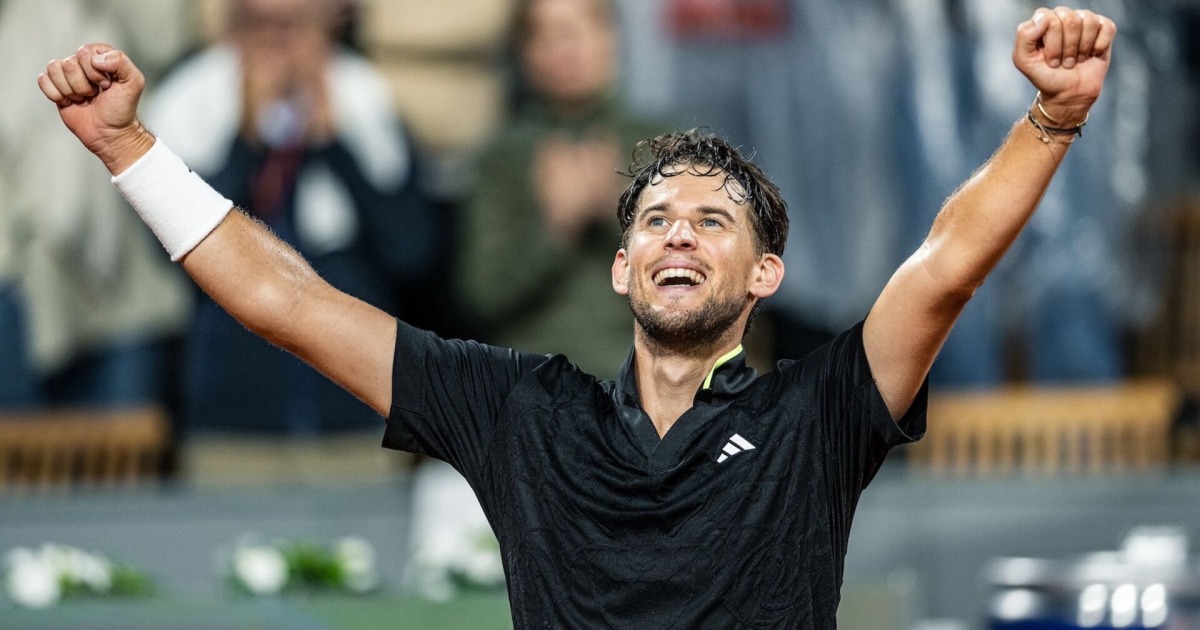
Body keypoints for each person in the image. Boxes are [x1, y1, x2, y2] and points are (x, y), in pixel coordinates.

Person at [39, 6, 1115, 626]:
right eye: (655, 221)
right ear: (619, 268)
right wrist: (129, 150)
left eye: (712, 220)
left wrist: (1052, 117)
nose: (680, 234)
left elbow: (945, 267)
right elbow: (289, 303)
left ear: (766, 276)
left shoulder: (817, 415)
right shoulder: (522, 414)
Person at [143, 0, 435, 434]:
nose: (278, 44)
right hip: (232, 415)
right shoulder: (189, 102)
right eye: (261, 25)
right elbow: (177, 252)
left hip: (354, 412)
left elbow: (410, 251)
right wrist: (246, 140)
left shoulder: (365, 95)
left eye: (294, 25)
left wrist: (333, 142)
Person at [458, 0, 669, 378]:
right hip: (535, 374)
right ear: (524, 54)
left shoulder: (661, 146)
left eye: (577, 31)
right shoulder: (502, 158)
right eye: (548, 36)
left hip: (649, 374)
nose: (566, 50)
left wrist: (622, 215)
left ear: (611, 37)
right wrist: (554, 230)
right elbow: (481, 295)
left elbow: (703, 284)